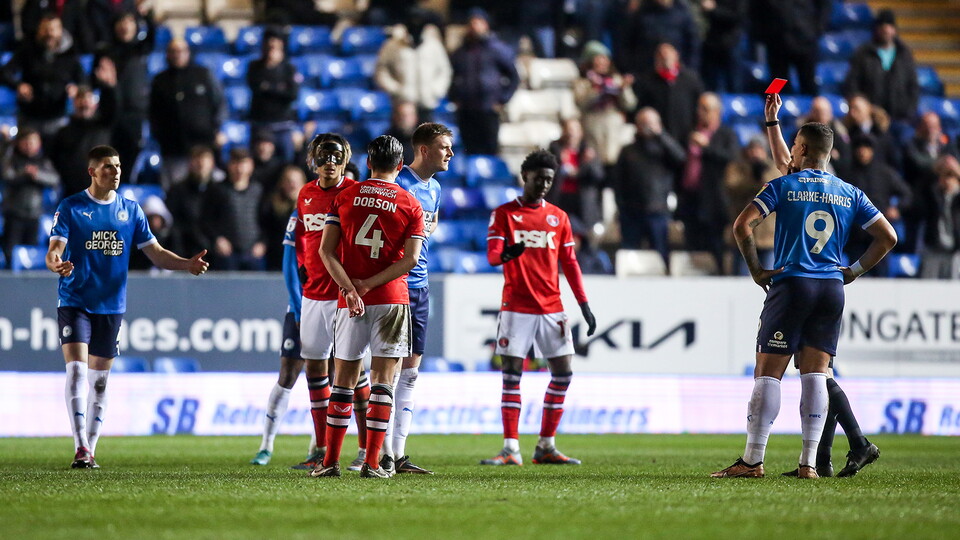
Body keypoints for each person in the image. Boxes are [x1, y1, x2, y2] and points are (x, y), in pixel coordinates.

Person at [712, 96, 895, 479]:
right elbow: (888, 237)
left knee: (768, 373)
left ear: (804, 149)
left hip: (792, 283)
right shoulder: (849, 192)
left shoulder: (782, 186)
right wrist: (855, 270)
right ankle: (809, 464)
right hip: (831, 287)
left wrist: (757, 270)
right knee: (815, 375)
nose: (790, 150)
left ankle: (752, 460)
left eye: (795, 144)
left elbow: (742, 225)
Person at [46, 145, 208, 468]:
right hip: (75, 300)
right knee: (77, 370)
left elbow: (156, 253)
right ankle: (80, 447)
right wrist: (56, 264)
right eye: (108, 167)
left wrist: (186, 264)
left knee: (101, 381)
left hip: (111, 305)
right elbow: (54, 250)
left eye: (118, 166)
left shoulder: (131, 210)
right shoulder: (71, 207)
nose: (115, 172)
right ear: (92, 172)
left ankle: (90, 449)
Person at [311, 135, 425, 479]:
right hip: (390, 299)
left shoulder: (345, 196)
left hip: (350, 303)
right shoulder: (410, 203)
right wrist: (370, 285)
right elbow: (411, 260)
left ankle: (329, 461)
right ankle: (374, 463)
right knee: (383, 383)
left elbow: (325, 252)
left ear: (369, 163)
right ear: (401, 166)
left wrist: (350, 289)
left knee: (343, 382)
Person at [481, 149, 597, 466]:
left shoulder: (558, 217)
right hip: (517, 306)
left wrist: (583, 304)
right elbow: (492, 256)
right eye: (539, 178)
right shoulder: (504, 214)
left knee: (563, 374)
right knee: (511, 374)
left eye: (549, 179)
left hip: (552, 307)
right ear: (525, 177)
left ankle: (546, 446)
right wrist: (508, 253)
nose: (544, 184)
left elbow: (570, 263)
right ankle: (510, 449)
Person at [292, 133, 373, 472]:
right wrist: (302, 272)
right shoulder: (306, 194)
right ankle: (322, 448)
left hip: (343, 294)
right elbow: (302, 240)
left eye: (335, 157)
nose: (329, 162)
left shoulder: (355, 193)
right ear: (313, 160)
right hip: (313, 294)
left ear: (345, 160)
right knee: (314, 368)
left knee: (352, 374)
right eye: (323, 156)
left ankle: (366, 449)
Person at [380, 122, 455, 476]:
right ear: (424, 150)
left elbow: (431, 222)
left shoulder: (435, 189)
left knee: (411, 372)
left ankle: (398, 454)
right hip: (396, 287)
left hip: (421, 287)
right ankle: (373, 450)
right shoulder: (398, 183)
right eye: (444, 147)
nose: (450, 154)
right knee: (387, 371)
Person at [249, 208, 305, 465]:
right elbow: (289, 262)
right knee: (288, 373)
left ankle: (320, 449)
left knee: (332, 377)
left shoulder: (350, 208)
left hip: (335, 306)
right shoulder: (304, 209)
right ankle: (266, 445)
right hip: (304, 305)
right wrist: (297, 304)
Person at [612, 107, 685, 267]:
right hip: (631, 214)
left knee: (660, 256)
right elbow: (617, 182)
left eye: (650, 123)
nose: (647, 127)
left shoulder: (664, 150)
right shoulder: (627, 151)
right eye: (643, 123)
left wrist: (661, 135)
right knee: (630, 256)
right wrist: (621, 207)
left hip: (657, 212)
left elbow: (680, 159)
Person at [149, 39, 226, 188]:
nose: (178, 55)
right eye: (173, 51)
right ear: (167, 54)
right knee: (175, 192)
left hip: (204, 147)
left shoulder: (203, 75)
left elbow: (220, 103)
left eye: (181, 51)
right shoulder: (159, 81)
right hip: (174, 151)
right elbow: (153, 114)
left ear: (188, 53)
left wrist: (218, 129)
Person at [1, 13, 86, 144]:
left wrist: (75, 88)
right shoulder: (28, 50)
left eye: (53, 29)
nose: (49, 34)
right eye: (45, 29)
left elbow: (83, 81)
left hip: (57, 118)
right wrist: (18, 85)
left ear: (60, 30)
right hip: (29, 117)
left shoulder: (70, 54)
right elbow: (5, 72)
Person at [448, 7, 520, 155]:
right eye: (471, 23)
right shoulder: (461, 52)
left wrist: (502, 99)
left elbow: (514, 76)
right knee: (469, 149)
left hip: (488, 109)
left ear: (485, 24)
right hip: (467, 110)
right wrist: (454, 97)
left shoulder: (497, 49)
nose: (474, 26)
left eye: (478, 22)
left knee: (489, 149)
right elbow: (452, 76)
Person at [572, 41, 636, 179]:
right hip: (592, 130)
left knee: (614, 172)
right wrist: (595, 90)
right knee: (595, 174)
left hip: (613, 130)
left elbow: (630, 104)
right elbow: (581, 103)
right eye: (597, 59)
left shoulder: (616, 80)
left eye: (604, 58)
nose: (602, 62)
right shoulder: (582, 82)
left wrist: (623, 89)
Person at [843, 9, 919, 125]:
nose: (886, 31)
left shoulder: (904, 54)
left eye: (889, 27)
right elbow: (853, 83)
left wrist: (908, 111)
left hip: (900, 118)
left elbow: (913, 86)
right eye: (883, 28)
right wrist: (866, 108)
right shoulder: (863, 54)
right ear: (877, 29)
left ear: (894, 30)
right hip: (870, 118)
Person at [199, 148, 266, 271]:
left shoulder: (258, 190)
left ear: (251, 165)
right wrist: (217, 239)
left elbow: (266, 220)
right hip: (227, 253)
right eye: (235, 163)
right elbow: (206, 220)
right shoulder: (217, 190)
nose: (239, 168)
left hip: (254, 252)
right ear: (229, 165)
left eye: (243, 163)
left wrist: (263, 243)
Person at [1, 127, 60, 263]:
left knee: (31, 251)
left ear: (38, 144)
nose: (28, 145)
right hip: (14, 215)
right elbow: (6, 175)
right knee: (10, 253)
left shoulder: (42, 162)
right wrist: (24, 173)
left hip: (34, 215)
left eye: (32, 141)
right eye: (25, 141)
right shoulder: (12, 160)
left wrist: (37, 175)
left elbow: (54, 179)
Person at [633, 43, 704, 144]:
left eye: (668, 53)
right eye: (661, 54)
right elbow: (641, 108)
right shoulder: (647, 82)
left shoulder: (691, 80)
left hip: (686, 134)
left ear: (676, 55)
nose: (665, 57)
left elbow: (699, 104)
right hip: (657, 138)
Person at [247, 29, 300, 162]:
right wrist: (279, 87)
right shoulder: (255, 67)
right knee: (259, 163)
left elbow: (292, 94)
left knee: (287, 162)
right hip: (261, 126)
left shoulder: (289, 69)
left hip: (283, 126)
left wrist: (268, 87)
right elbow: (256, 88)